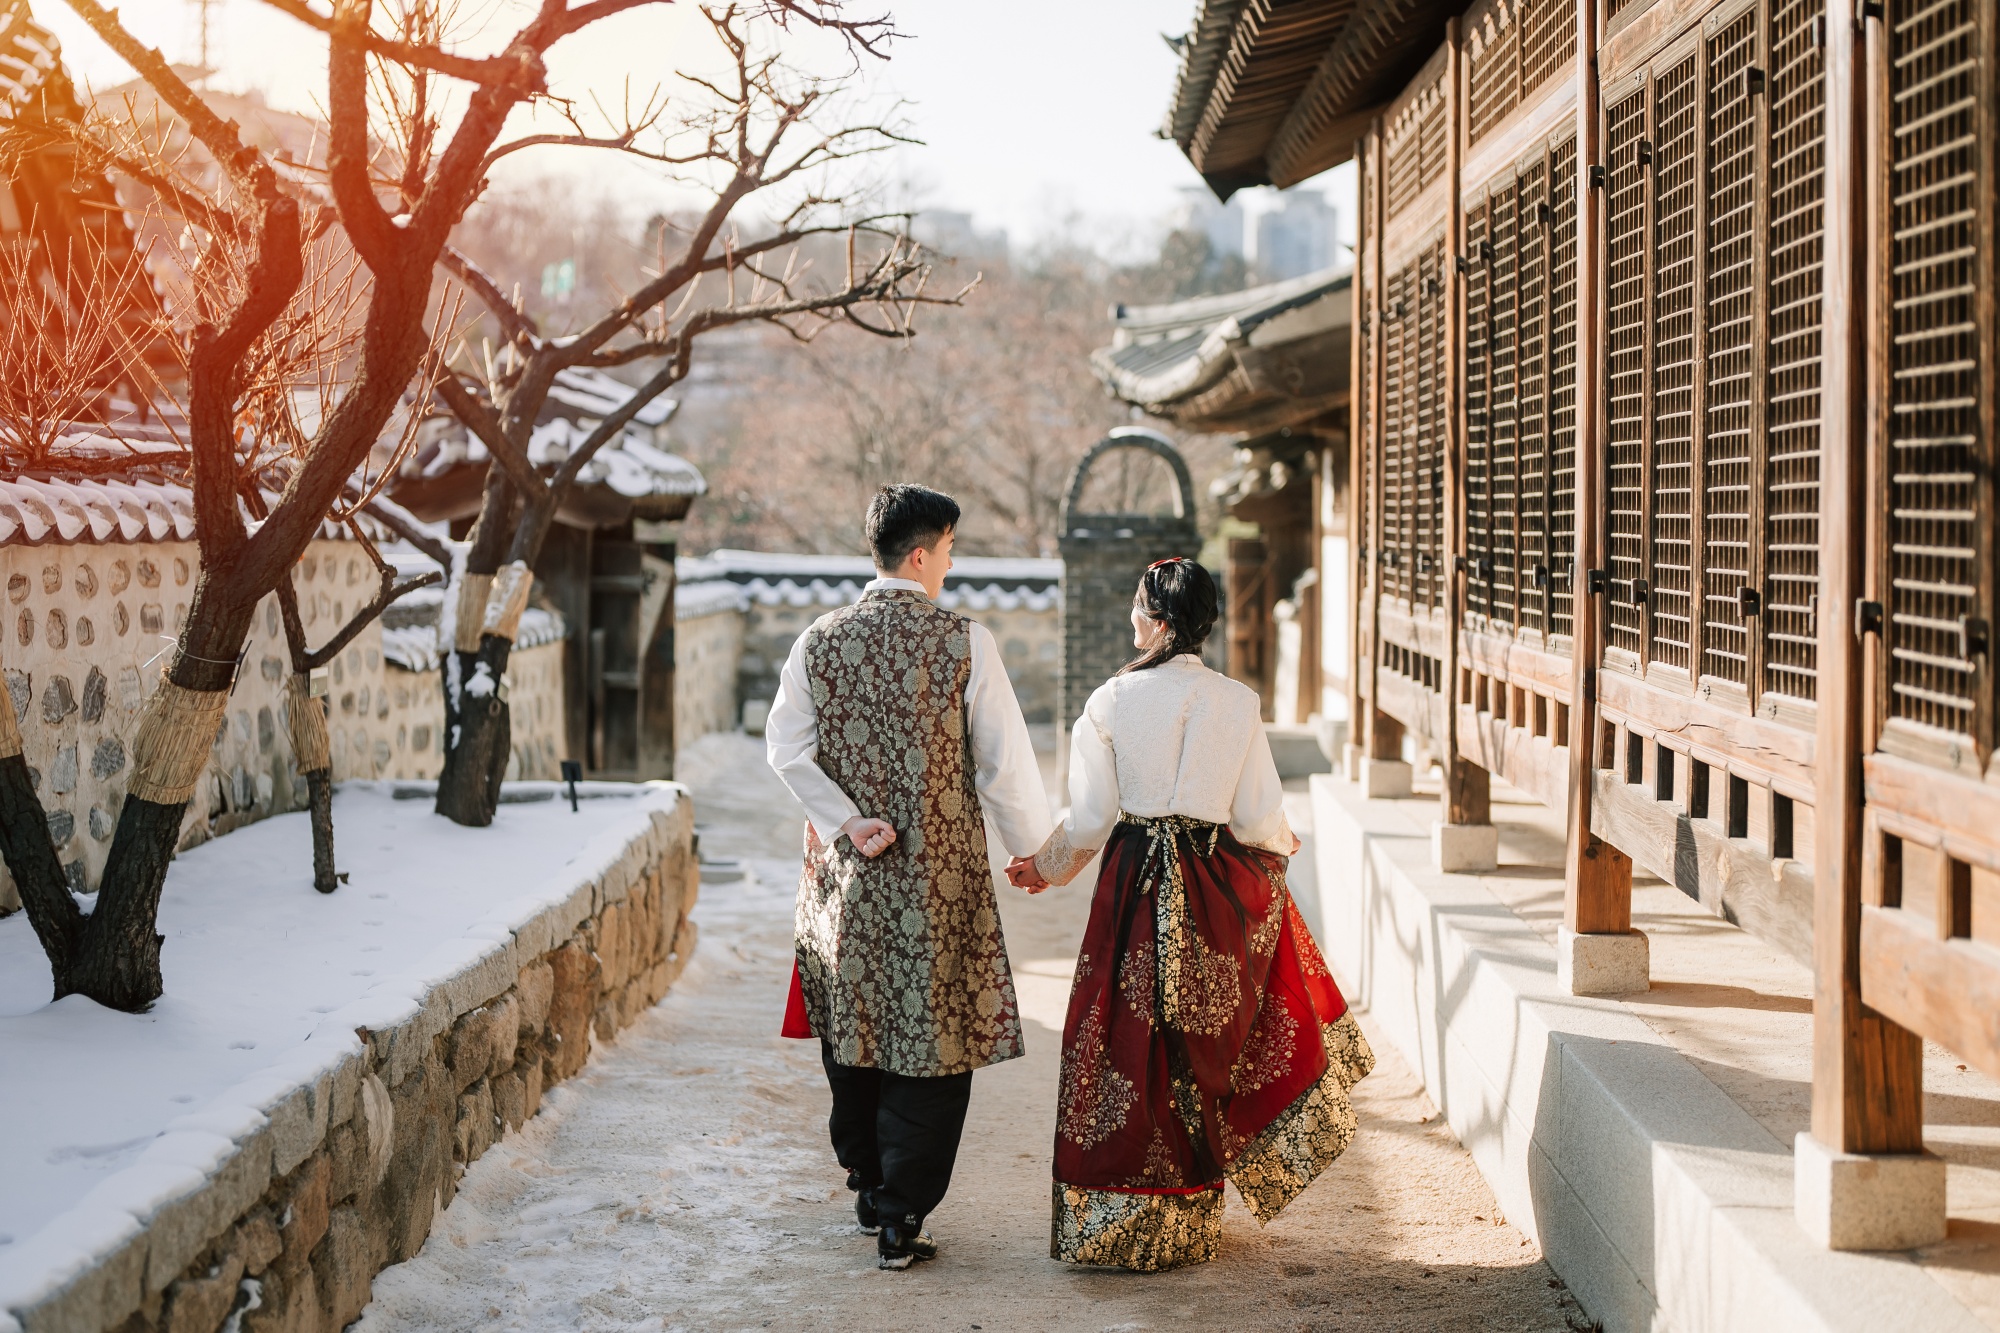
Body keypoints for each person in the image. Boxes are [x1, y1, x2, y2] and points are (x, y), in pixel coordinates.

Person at [1005, 557, 1373, 1272]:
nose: (1131, 621)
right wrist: (1275, 864)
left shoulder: (1111, 700)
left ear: (1161, 622)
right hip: (1212, 883)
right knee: (1205, 1042)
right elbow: (1260, 815)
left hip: (1134, 882)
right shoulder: (1238, 701)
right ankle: (1192, 1217)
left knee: (1124, 1042)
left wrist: (1043, 868)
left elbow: (1089, 820)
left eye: (1139, 609)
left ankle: (1117, 1216)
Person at [766, 483, 1052, 1270]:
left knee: (855, 1023)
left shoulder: (818, 640)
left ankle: (866, 1178)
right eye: (950, 550)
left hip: (847, 877)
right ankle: (901, 1216)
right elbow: (1003, 764)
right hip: (939, 880)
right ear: (921, 554)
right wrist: (1033, 852)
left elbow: (785, 748)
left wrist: (846, 820)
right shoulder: (965, 642)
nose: (951, 565)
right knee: (931, 1039)